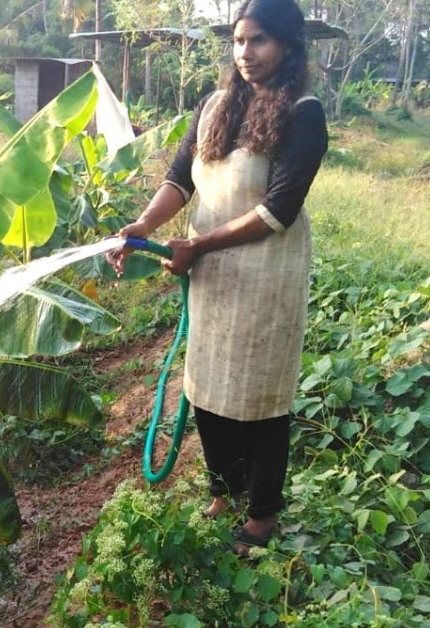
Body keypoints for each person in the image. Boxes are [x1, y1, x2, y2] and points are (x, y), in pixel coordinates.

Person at [108, 0, 327, 552]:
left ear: (287, 47)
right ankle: (221, 492)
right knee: (208, 388)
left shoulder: (304, 114)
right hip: (210, 273)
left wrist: (197, 243)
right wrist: (143, 223)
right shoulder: (215, 105)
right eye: (238, 41)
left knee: (258, 397)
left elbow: (278, 210)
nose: (246, 53)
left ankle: (260, 517)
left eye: (259, 42)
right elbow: (180, 180)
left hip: (266, 274)